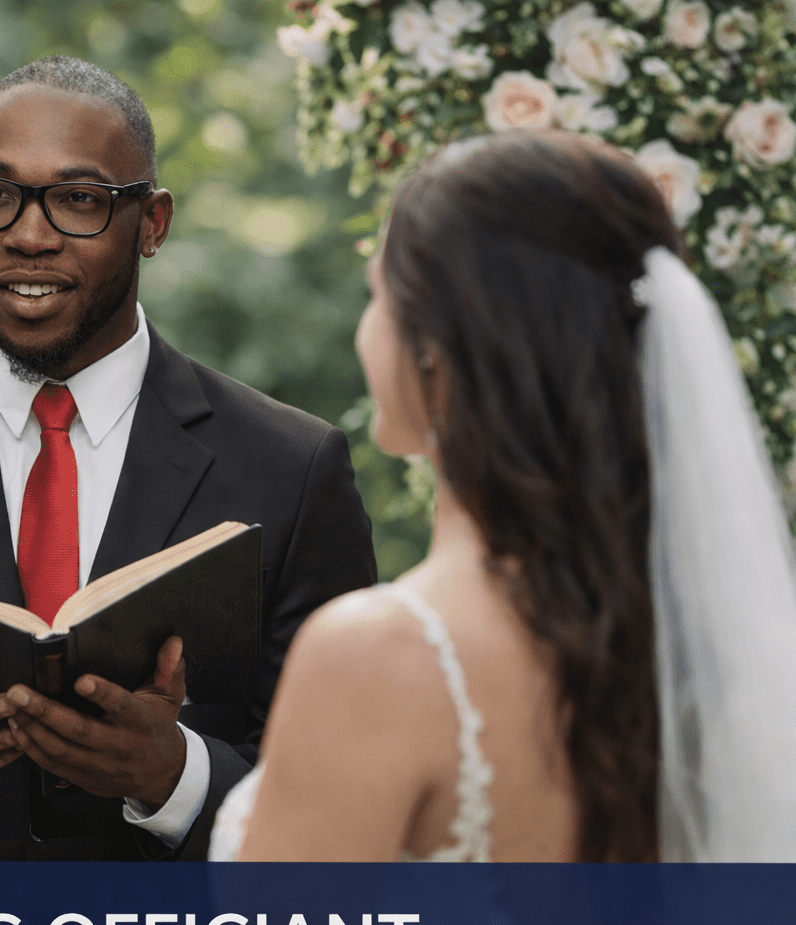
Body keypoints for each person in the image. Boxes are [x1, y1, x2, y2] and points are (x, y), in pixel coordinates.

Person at [0, 56, 377, 862]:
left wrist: (176, 779)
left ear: (152, 224)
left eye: (79, 199)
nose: (28, 234)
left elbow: (351, 801)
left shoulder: (293, 468)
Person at [211, 128, 796, 862]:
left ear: (436, 352)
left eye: (377, 296)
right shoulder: (700, 646)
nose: (367, 329)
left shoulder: (380, 656)